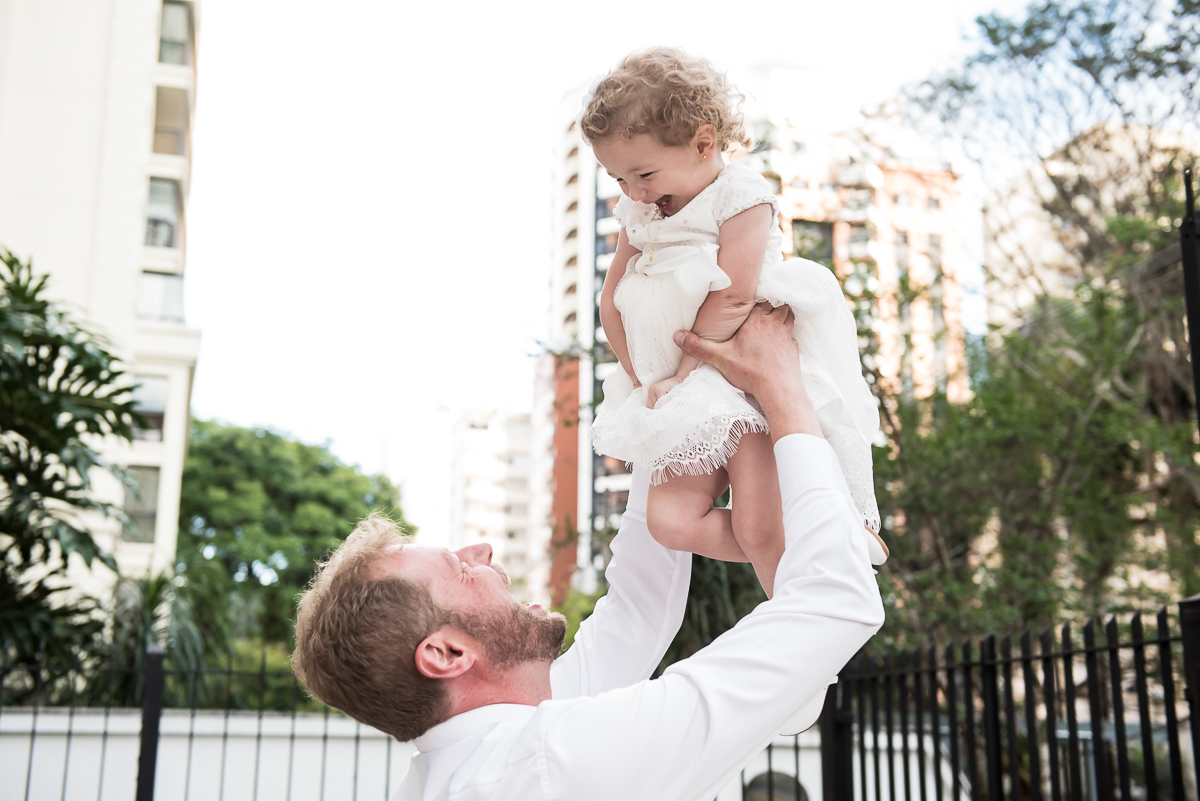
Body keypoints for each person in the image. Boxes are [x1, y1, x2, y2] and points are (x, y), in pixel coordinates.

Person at [291, 303, 886, 801]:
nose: (481, 550)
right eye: (458, 568)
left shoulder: (489, 753)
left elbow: (637, 608)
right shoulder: (553, 766)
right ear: (447, 654)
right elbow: (837, 600)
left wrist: (668, 414)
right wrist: (779, 383)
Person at [581, 47, 887, 598]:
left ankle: (801, 623)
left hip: (733, 369)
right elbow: (612, 300)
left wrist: (684, 375)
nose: (632, 192)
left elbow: (735, 297)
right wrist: (644, 378)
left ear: (703, 143)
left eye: (643, 173)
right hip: (672, 385)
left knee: (756, 523)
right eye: (618, 178)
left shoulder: (740, 196)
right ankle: (826, 535)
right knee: (670, 522)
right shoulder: (641, 211)